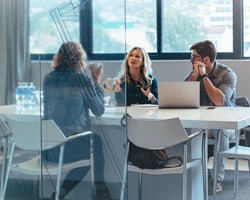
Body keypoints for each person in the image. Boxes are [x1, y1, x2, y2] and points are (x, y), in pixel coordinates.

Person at [42, 42, 112, 200]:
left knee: (94, 144)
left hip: (48, 148)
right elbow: (99, 110)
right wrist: (95, 81)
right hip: (68, 149)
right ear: (79, 59)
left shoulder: (48, 79)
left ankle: (61, 194)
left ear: (59, 57)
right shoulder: (81, 80)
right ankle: (100, 192)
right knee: (95, 146)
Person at [184, 40, 237, 194]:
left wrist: (204, 76)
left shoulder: (227, 74)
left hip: (227, 124)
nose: (191, 60)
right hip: (204, 123)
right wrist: (195, 76)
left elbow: (219, 101)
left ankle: (216, 180)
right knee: (190, 129)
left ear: (205, 60)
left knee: (221, 131)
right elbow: (182, 96)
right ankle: (201, 176)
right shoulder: (193, 73)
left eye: (194, 57)